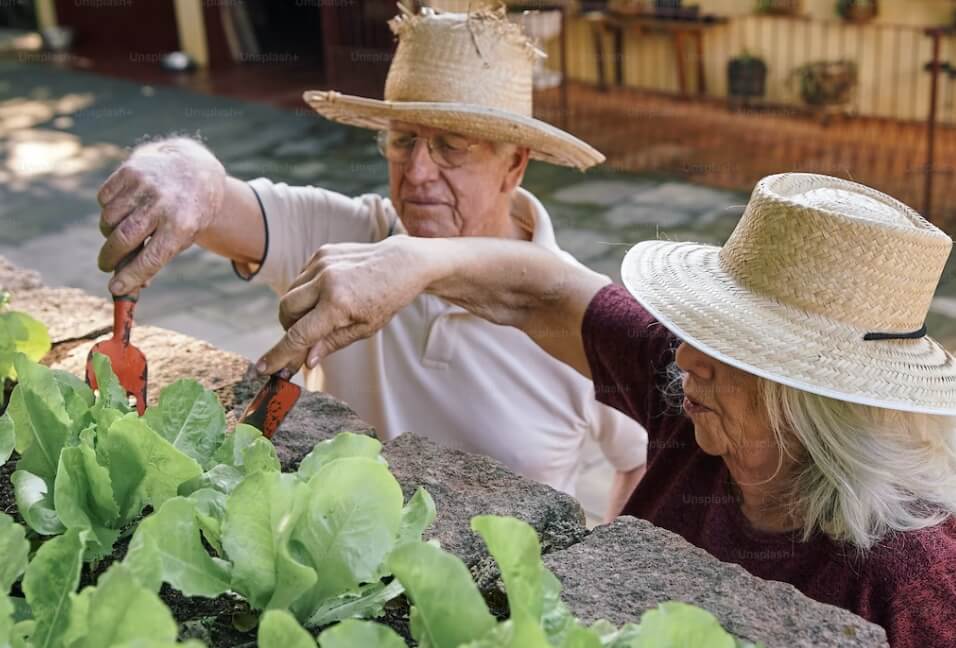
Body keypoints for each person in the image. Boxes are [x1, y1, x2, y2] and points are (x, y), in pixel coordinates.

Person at [255, 173, 956, 647]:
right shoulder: (695, 403)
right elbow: (547, 293)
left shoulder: (908, 577)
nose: (685, 361)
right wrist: (414, 262)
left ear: (813, 399)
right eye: (697, 333)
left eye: (730, 350)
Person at [95, 6, 648, 517]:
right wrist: (178, 168)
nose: (418, 172)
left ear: (515, 165)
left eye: (452, 146)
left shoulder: (581, 315)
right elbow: (213, 198)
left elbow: (644, 459)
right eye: (404, 141)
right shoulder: (346, 234)